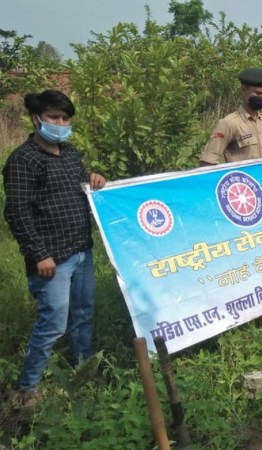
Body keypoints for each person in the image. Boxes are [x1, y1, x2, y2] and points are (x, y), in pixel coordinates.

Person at [3, 90, 107, 408]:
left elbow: (81, 188)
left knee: (83, 314)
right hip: (51, 260)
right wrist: (39, 254)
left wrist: (94, 179)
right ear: (37, 119)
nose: (60, 123)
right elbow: (17, 212)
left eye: (65, 118)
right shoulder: (23, 160)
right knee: (53, 323)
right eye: (53, 117)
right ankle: (29, 386)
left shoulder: (70, 153)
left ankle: (83, 369)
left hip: (80, 250)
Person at [199, 66, 262, 165]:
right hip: (243, 179)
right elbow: (208, 160)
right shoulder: (229, 123)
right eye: (258, 93)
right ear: (244, 90)